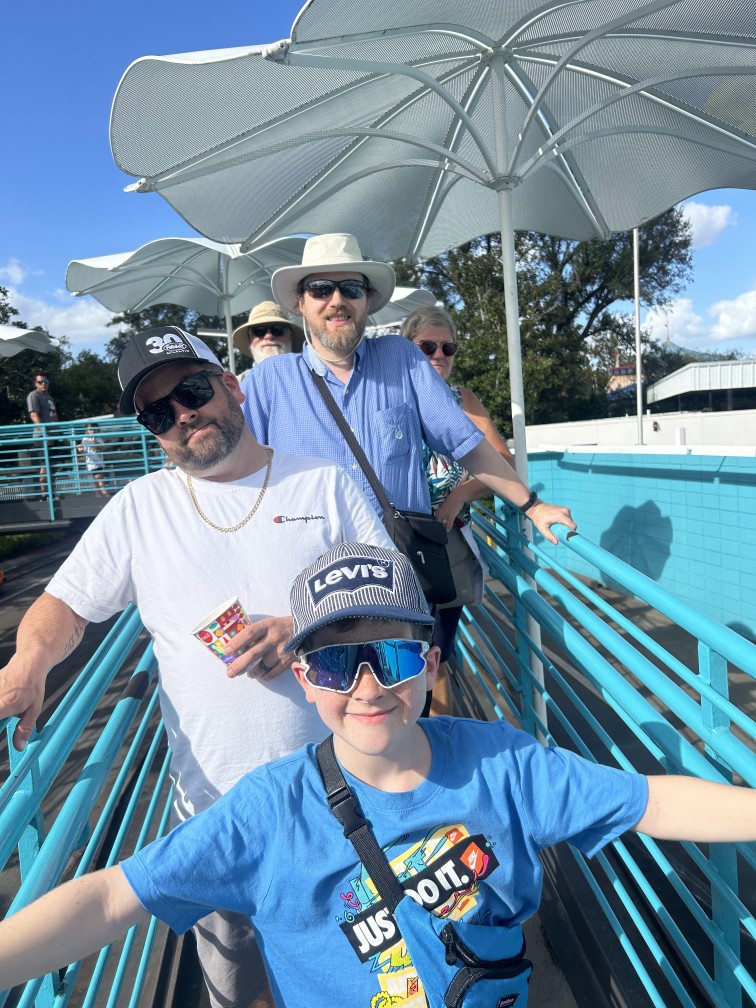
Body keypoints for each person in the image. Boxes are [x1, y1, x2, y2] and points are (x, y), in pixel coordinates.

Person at [1, 541, 755, 1007]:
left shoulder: (502, 762)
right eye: (336, 663)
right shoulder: (269, 811)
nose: (367, 687)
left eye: (391, 656)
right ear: (304, 679)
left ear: (431, 664)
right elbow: (113, 897)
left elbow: (647, 801)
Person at [0, 327, 391, 1008]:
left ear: (230, 386)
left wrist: (305, 626)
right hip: (215, 819)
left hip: (344, 802)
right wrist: (29, 660)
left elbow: (393, 592)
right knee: (236, 990)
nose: (182, 414)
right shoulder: (138, 508)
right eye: (158, 412)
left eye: (192, 390)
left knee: (363, 981)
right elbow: (63, 605)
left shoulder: (324, 482)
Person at [241, 234, 575, 545]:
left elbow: (465, 444)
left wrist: (532, 506)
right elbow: (237, 475)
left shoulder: (402, 359)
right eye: (321, 289)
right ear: (300, 302)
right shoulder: (268, 381)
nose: (337, 300)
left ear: (367, 300)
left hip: (400, 569)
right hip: (312, 574)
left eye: (352, 289)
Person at [401, 305, 516, 715]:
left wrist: (460, 495)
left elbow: (505, 463)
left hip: (442, 545)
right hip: (394, 543)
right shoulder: (387, 397)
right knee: (400, 652)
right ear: (406, 348)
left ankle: (437, 735)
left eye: (447, 348)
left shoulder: (462, 400)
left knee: (438, 652)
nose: (438, 355)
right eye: (427, 346)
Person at [232, 300, 304, 381]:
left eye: (277, 329)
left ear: (290, 335)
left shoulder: (308, 377)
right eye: (260, 331)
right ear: (250, 338)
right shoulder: (238, 385)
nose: (269, 336)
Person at [25, 372, 59, 498]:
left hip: (53, 435)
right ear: (36, 383)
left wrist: (60, 433)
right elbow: (34, 415)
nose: (43, 384)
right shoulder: (34, 395)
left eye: (46, 382)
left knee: (53, 466)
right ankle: (45, 495)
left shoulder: (49, 397)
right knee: (45, 465)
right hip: (42, 436)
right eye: (40, 382)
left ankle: (52, 494)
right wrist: (45, 434)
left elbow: (54, 416)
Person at [76, 424, 110, 497]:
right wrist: (81, 450)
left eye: (94, 429)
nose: (93, 431)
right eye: (90, 430)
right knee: (98, 477)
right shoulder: (85, 440)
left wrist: (96, 443)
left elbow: (103, 448)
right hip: (91, 462)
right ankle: (105, 494)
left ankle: (99, 494)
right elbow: (85, 451)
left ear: (97, 430)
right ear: (87, 431)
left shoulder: (99, 439)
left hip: (99, 461)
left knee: (96, 478)